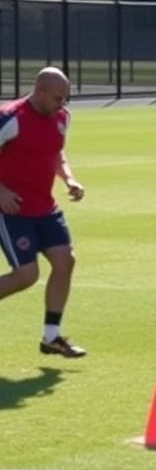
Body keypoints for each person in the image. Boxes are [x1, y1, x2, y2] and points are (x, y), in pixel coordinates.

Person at [0, 67, 86, 358]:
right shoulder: (11, 117)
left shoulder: (62, 117)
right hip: (12, 210)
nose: (62, 104)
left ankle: (51, 337)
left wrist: (69, 178)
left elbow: (56, 152)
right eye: (57, 98)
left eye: (65, 98)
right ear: (39, 93)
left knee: (65, 260)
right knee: (26, 276)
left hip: (45, 207)